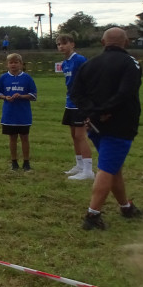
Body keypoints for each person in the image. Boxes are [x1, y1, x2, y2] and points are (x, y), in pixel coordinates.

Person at [72, 27, 142, 230]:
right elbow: (126, 93)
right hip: (120, 125)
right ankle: (92, 216)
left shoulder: (89, 64)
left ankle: (126, 207)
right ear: (126, 42)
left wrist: (92, 112)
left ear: (103, 43)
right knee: (107, 168)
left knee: (113, 166)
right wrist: (104, 111)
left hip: (95, 125)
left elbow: (76, 93)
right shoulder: (131, 63)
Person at [56, 33, 94, 181]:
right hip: (70, 102)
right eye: (59, 44)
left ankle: (88, 170)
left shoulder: (79, 60)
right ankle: (79, 165)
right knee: (73, 135)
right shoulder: (65, 63)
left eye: (64, 43)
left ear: (72, 44)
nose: (61, 46)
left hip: (80, 103)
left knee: (80, 135)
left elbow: (89, 79)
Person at [0, 53, 37, 171]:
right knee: (12, 138)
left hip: (23, 115)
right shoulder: (3, 78)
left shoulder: (27, 78)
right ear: (7, 65)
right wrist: (5, 97)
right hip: (9, 114)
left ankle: (26, 162)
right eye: (11, 62)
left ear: (21, 64)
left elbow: (34, 95)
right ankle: (14, 162)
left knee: (25, 138)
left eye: (16, 62)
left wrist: (22, 96)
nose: (13, 65)